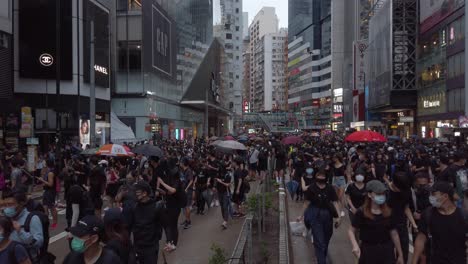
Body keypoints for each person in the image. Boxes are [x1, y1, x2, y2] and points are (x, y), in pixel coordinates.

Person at [347, 180, 404, 264]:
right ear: (369, 194)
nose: (381, 196)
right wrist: (355, 245)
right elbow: (351, 230)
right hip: (368, 251)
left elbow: (394, 233)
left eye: (383, 193)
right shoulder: (361, 212)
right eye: (378, 193)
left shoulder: (388, 212)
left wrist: (400, 254)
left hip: (386, 251)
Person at [412, 182, 468, 264]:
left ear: (445, 196)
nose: (431, 197)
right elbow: (421, 239)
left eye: (434, 194)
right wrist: (414, 261)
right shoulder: (428, 214)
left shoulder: (463, 216)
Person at [301, 170, 341, 264]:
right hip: (315, 216)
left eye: (323, 176)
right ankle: (321, 261)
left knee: (326, 239)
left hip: (328, 216)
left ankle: (322, 255)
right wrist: (301, 215)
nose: (321, 177)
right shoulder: (312, 188)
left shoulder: (330, 188)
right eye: (319, 175)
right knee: (319, 241)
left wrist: (339, 216)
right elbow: (306, 203)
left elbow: (335, 202)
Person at [125, 181, 162, 263]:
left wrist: (168, 241)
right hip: (138, 247)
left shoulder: (156, 207)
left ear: (145, 193)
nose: (135, 194)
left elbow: (164, 225)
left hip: (151, 248)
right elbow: (128, 227)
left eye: (137, 192)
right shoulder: (134, 208)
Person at [2, 190, 44, 263]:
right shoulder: (4, 219)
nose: (7, 208)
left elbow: (38, 243)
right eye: (5, 205)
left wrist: (20, 232)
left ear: (21, 203)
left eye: (11, 204)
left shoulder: (32, 218)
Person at [384, 171, 417, 263]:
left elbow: (406, 208)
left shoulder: (406, 190)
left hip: (401, 224)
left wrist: (414, 224)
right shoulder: (386, 192)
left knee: (403, 252)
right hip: (387, 225)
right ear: (394, 184)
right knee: (388, 253)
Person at [158, 163, 183, 253]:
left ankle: (174, 244)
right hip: (169, 205)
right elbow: (167, 193)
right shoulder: (171, 180)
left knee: (174, 225)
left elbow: (172, 190)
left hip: (175, 207)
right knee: (170, 225)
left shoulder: (177, 181)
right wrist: (160, 190)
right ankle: (171, 242)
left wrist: (162, 183)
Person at [35, 159, 58, 229]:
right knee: (45, 206)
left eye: (45, 162)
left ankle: (55, 222)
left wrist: (42, 180)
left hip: (50, 192)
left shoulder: (50, 173)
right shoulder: (47, 171)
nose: (43, 163)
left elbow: (51, 184)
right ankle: (46, 221)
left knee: (52, 207)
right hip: (46, 191)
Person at [216, 163, 232, 230]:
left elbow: (228, 185)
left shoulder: (227, 175)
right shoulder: (218, 174)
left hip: (226, 192)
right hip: (219, 192)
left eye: (220, 167)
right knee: (222, 206)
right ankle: (224, 219)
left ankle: (225, 221)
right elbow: (216, 182)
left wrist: (220, 182)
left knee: (225, 206)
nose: (219, 169)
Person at [180, 158, 194, 229]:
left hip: (188, 191)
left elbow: (191, 180)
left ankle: (189, 222)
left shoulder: (189, 170)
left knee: (187, 206)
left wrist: (186, 188)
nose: (180, 163)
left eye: (181, 162)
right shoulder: (183, 170)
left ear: (183, 163)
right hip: (183, 190)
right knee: (185, 207)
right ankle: (186, 220)